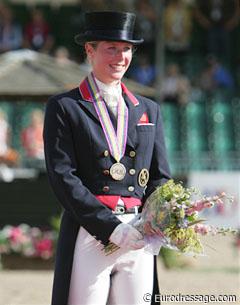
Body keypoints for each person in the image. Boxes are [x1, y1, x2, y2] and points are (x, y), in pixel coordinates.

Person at [43, 11, 171, 305]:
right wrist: (110, 228)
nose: (120, 56)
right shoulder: (65, 107)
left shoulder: (148, 109)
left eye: (126, 49)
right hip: (90, 232)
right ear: (89, 50)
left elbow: (159, 176)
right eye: (111, 48)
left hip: (138, 232)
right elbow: (63, 176)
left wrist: (163, 218)